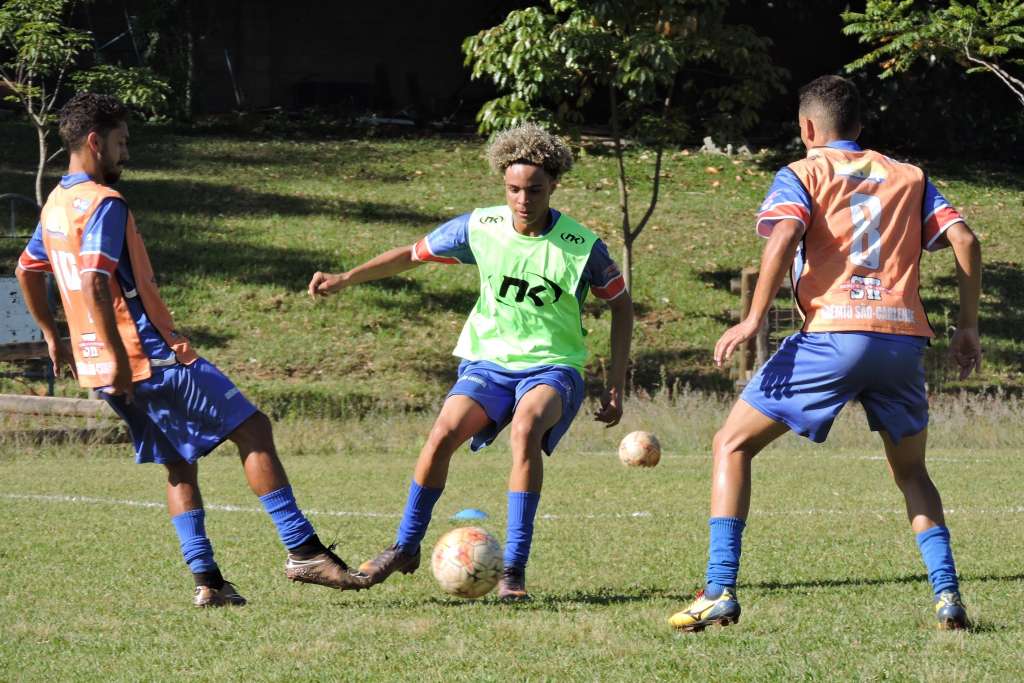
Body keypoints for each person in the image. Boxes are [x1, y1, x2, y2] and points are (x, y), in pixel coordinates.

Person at [15, 93, 370, 608]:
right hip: (148, 355)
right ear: (95, 142)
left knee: (179, 462)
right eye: (120, 143)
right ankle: (304, 551)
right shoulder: (103, 203)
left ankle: (208, 582)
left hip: (98, 364)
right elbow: (94, 280)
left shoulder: (55, 205)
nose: (125, 154)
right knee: (252, 428)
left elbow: (28, 269)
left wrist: (52, 333)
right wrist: (118, 354)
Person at [668, 75, 981, 631]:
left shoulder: (802, 172)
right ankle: (948, 595)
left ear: (806, 128)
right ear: (860, 127)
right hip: (902, 341)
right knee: (912, 473)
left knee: (731, 445)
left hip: (834, 334)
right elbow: (965, 240)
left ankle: (718, 588)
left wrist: (752, 317)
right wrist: (968, 330)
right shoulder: (909, 175)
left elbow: (784, 235)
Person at [308, 123, 634, 600]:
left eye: (535, 190)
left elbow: (621, 305)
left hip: (553, 367)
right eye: (513, 189)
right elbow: (410, 255)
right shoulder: (479, 228)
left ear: (554, 185)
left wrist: (616, 383)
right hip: (488, 364)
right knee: (442, 434)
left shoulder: (581, 248)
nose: (523, 200)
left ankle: (513, 571)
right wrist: (346, 278)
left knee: (525, 430)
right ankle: (405, 546)